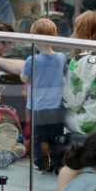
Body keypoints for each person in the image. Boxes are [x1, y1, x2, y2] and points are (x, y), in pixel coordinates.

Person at [21, 18, 67, 172]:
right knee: (56, 135)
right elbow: (64, 75)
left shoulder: (32, 60)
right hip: (56, 105)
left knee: (38, 136)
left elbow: (24, 77)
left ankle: (39, 162)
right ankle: (57, 162)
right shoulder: (61, 57)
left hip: (37, 106)